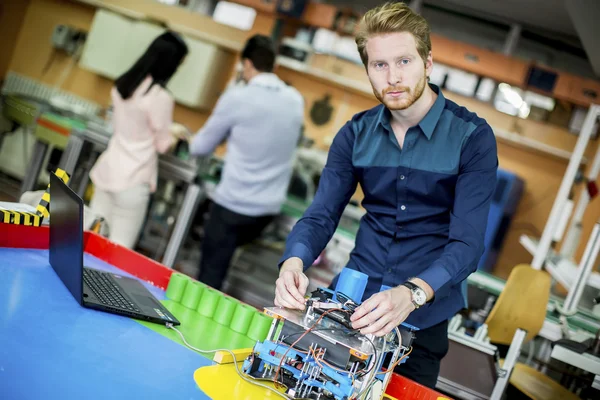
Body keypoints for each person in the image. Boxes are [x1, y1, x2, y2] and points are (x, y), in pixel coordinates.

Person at [274, 2, 498, 389]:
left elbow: (467, 244)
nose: (392, 77)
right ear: (367, 70)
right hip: (351, 308)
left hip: (421, 325)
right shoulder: (354, 135)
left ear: (428, 63)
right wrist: (293, 262)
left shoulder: (471, 138)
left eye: (404, 61)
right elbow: (321, 215)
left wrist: (412, 293)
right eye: (379, 65)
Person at [189, 34, 304, 291]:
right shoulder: (295, 99)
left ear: (247, 64)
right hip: (266, 213)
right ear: (273, 65)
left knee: (209, 279)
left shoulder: (237, 97)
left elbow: (200, 147)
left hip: (233, 206)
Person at [89, 31, 189, 249]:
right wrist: (173, 132)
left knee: (91, 240)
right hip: (133, 181)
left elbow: (131, 125)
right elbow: (163, 145)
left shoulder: (123, 86)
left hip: (107, 171)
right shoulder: (160, 97)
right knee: (118, 252)